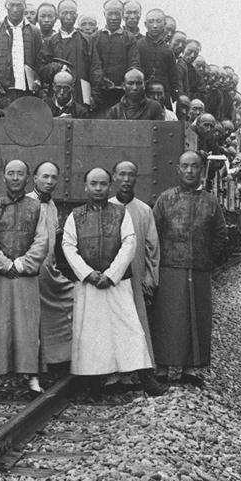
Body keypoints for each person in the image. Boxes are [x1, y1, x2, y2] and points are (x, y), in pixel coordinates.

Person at [61, 168, 166, 399]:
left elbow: (130, 243)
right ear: (85, 187)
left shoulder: (121, 213)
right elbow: (68, 246)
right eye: (93, 183)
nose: (98, 188)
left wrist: (111, 275)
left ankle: (147, 380)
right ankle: (93, 385)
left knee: (130, 329)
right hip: (88, 285)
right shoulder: (75, 216)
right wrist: (88, 274)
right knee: (91, 333)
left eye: (103, 184)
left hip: (117, 283)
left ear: (109, 186)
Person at [151, 151, 227, 388]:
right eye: (185, 166)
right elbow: (153, 234)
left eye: (194, 166)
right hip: (169, 268)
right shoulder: (165, 199)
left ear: (201, 170)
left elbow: (221, 234)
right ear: (178, 169)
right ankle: (162, 367)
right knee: (166, 318)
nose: (189, 171)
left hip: (199, 269)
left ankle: (191, 368)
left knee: (197, 317)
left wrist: (208, 259)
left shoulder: (210, 201)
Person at [0, 159, 49, 399]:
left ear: (27, 178)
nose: (15, 178)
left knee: (27, 326)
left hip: (25, 275)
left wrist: (21, 264)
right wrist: (4, 264)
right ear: (4, 177)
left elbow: (42, 240)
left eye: (20, 173)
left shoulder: (37, 207)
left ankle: (32, 377)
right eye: (11, 173)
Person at [109, 160, 160, 374]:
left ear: (136, 178)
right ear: (114, 177)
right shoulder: (106, 207)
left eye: (131, 175)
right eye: (122, 174)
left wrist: (150, 277)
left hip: (137, 275)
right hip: (111, 278)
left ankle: (137, 371)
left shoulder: (144, 210)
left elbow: (152, 247)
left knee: (137, 322)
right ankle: (113, 374)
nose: (126, 180)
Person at [26, 161, 73, 375]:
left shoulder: (52, 206)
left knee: (71, 303)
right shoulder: (26, 203)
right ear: (34, 178)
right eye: (45, 176)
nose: (50, 181)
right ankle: (34, 368)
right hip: (32, 271)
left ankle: (58, 360)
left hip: (49, 271)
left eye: (54, 177)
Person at [38, 0, 103, 107]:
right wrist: (56, 67)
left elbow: (95, 69)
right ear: (58, 16)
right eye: (65, 13)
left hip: (81, 94)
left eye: (72, 13)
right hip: (56, 96)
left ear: (76, 15)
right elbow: (42, 69)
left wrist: (94, 96)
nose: (68, 17)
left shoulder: (86, 40)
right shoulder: (50, 42)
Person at [0, 0, 42, 99]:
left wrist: (37, 80)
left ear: (25, 6)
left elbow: (40, 61)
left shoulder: (34, 31)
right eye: (11, 5)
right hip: (1, 90)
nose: (15, 9)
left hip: (27, 90)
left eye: (19, 5)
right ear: (6, 5)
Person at [94, 0, 141, 115]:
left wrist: (126, 82)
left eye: (117, 14)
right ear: (104, 14)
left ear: (122, 15)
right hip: (100, 93)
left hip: (122, 93)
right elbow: (93, 64)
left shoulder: (129, 38)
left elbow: (134, 64)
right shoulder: (95, 37)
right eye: (110, 14)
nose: (114, 18)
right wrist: (101, 80)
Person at [136, 9, 182, 108]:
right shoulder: (138, 45)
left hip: (163, 96)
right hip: (142, 94)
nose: (155, 26)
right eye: (151, 22)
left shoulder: (168, 50)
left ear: (164, 24)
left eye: (158, 21)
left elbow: (173, 77)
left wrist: (175, 96)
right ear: (145, 24)